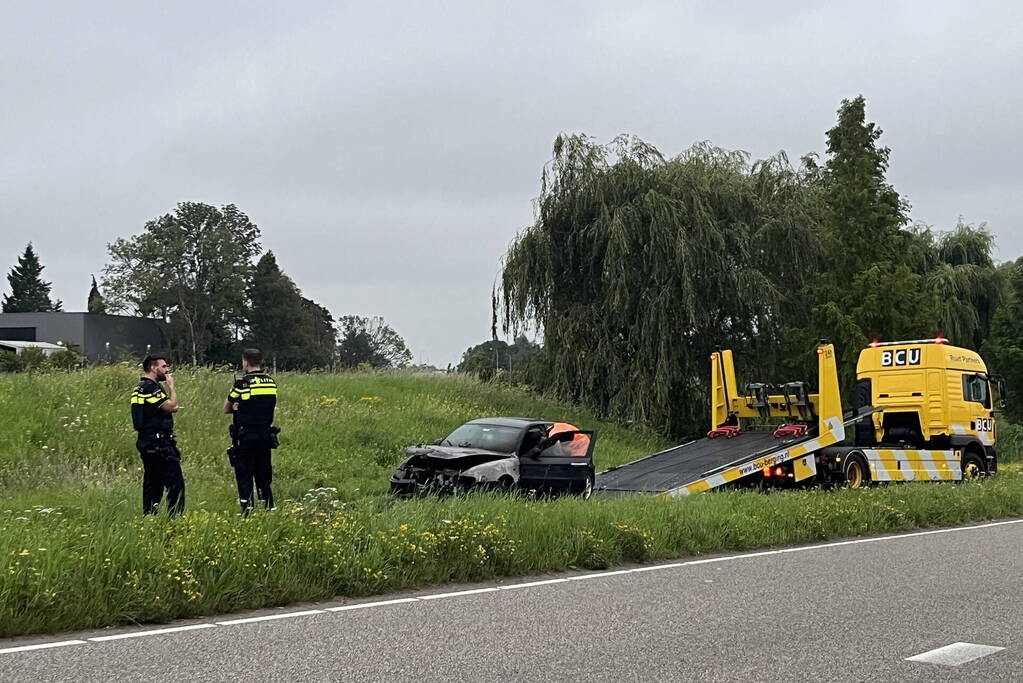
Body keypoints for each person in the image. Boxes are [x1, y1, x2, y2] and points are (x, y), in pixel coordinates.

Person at [224, 348, 279, 513]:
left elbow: (227, 408)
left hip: (246, 436)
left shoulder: (242, 384)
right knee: (263, 475)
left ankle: (247, 510)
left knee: (245, 475)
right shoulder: (271, 382)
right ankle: (268, 507)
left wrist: (237, 407)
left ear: (245, 362)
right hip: (265, 435)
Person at [131, 355, 184, 516]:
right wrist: (171, 386)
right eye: (164, 366)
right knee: (176, 484)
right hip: (159, 443)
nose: (167, 370)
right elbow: (172, 406)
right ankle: (174, 520)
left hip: (146, 441)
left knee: (153, 483)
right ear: (153, 368)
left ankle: (149, 518)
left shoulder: (138, 389)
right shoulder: (150, 387)